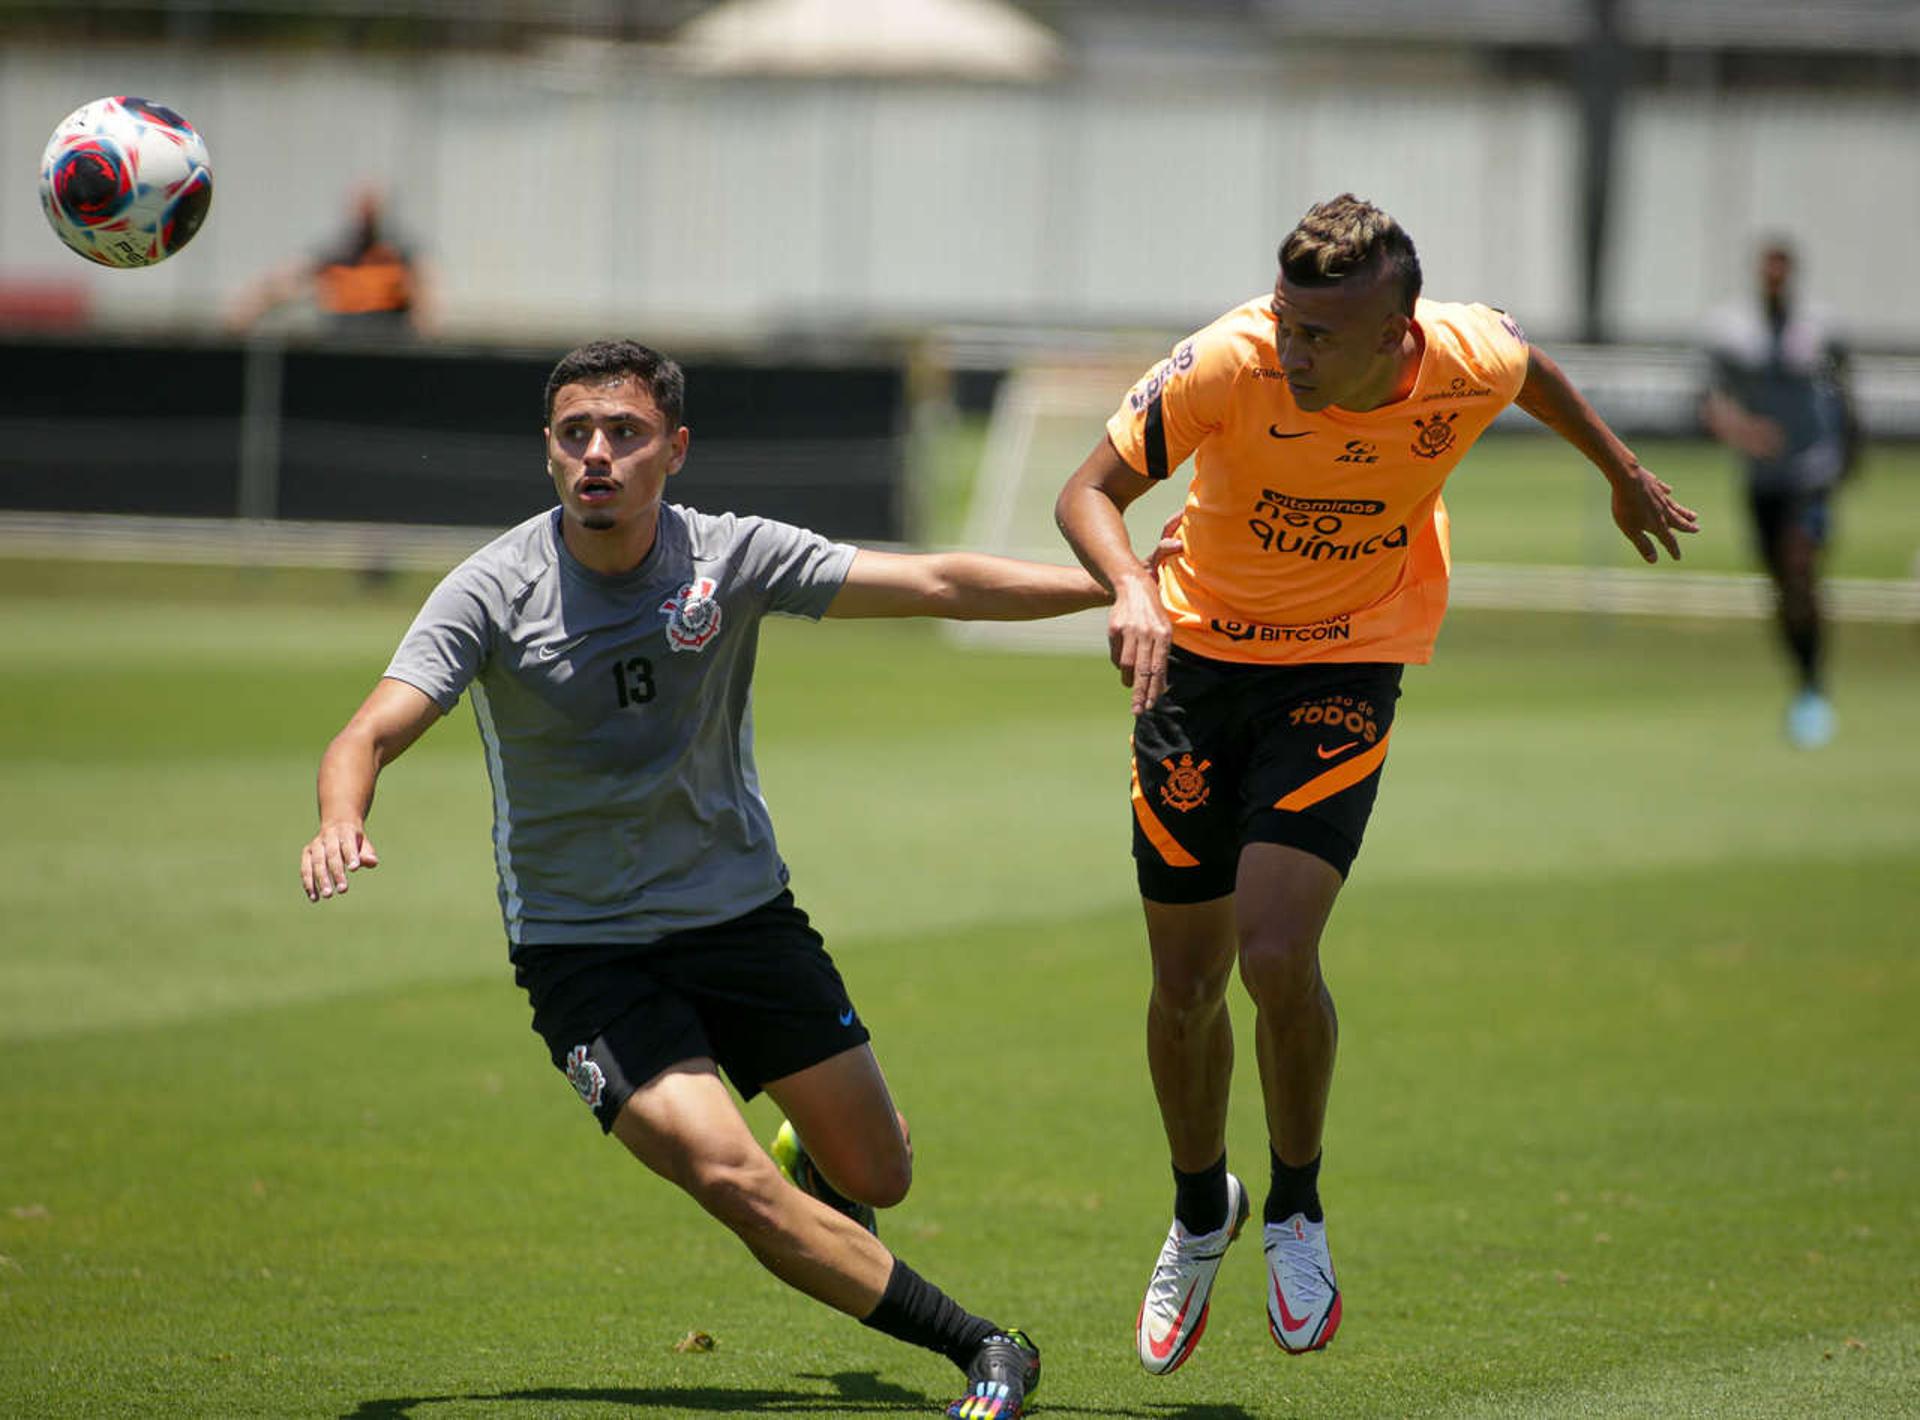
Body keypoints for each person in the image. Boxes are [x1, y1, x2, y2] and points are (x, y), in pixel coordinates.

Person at [299, 339, 1107, 1419]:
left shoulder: (732, 557)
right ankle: (986, 1345)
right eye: (575, 433)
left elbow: (941, 581)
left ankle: (827, 1174)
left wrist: (1122, 585)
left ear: (673, 449)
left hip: (742, 919)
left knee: (881, 1174)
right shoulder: (491, 589)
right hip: (584, 955)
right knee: (731, 1181)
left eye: (624, 433)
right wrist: (340, 817)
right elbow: (369, 730)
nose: (597, 454)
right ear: (547, 449)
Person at [1053, 194, 1698, 1374]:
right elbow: (1085, 493)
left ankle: (1295, 1205)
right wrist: (1133, 591)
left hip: (1348, 658)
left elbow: (1531, 370)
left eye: (1319, 336)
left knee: (1275, 953)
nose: (1290, 350)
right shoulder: (1225, 363)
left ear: (1401, 330)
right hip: (1196, 663)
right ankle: (1204, 1210)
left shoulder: (1464, 356)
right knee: (1186, 981)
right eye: (1288, 323)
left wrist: (1621, 470)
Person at [1701, 237, 1860, 749]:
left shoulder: (1820, 330)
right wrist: (1745, 433)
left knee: (1800, 570)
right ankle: (1805, 678)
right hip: (1762, 480)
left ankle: (1813, 688)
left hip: (1811, 475)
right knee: (1780, 586)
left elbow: (1844, 393)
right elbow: (1710, 402)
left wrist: (1853, 451)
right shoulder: (1733, 332)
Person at [230, 184, 436, 337]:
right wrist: (247, 309)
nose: (366, 218)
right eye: (363, 210)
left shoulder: (400, 257)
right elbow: (285, 278)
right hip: (341, 351)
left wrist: (425, 323)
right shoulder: (336, 255)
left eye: (372, 211)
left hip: (388, 353)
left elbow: (427, 297)